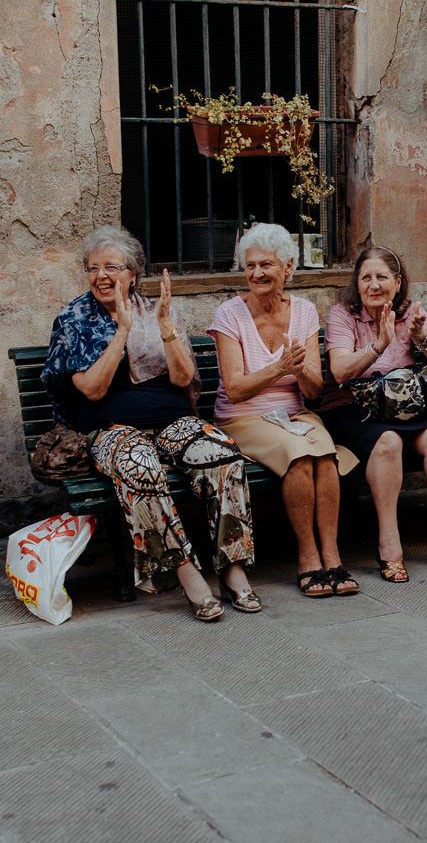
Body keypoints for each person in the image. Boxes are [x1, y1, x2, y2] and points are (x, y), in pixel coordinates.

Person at [42, 224, 260, 620]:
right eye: (93, 268)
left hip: (171, 420)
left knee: (221, 454)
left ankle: (232, 567)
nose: (101, 276)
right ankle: (188, 573)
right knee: (139, 467)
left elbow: (181, 379)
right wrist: (122, 331)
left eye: (112, 266)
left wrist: (166, 329)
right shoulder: (75, 320)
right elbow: (91, 390)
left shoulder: (157, 309)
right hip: (109, 429)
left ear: (133, 273)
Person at [210, 224, 360, 598]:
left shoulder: (305, 312)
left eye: (267, 265)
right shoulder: (230, 315)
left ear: (288, 268)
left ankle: (332, 555)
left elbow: (312, 391)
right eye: (250, 266)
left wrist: (300, 370)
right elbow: (235, 388)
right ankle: (308, 558)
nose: (257, 273)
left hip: (293, 414)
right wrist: (279, 368)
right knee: (298, 455)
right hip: (242, 418)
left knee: (324, 453)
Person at [317, 245, 427, 582]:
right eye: (366, 278)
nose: (374, 285)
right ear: (357, 283)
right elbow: (341, 371)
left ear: (398, 281)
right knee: (387, 442)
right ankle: (389, 541)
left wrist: (421, 336)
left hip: (404, 405)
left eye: (382, 277)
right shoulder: (342, 315)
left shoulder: (411, 313)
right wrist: (377, 344)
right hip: (354, 408)